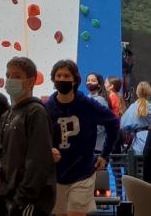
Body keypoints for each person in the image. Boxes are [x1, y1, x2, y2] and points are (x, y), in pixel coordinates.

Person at [45, 60, 120, 216]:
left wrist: (105, 155)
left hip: (83, 172)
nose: (62, 79)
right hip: (58, 174)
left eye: (66, 75)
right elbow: (40, 135)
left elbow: (113, 123)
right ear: (53, 79)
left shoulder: (87, 104)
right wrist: (48, 149)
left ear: (74, 80)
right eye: (58, 75)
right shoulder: (48, 107)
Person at [0, 57, 55, 216]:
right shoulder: (7, 115)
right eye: (8, 75)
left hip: (30, 201)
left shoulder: (36, 112)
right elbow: (0, 151)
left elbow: (38, 161)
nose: (10, 80)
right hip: (9, 196)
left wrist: (21, 199)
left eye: (17, 76)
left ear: (31, 81)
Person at [119, 81, 151, 155]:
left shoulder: (133, 106)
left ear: (137, 93)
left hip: (137, 143)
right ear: (150, 92)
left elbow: (123, 124)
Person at [84, 72, 110, 152]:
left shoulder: (101, 100)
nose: (89, 82)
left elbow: (104, 123)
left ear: (99, 84)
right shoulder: (86, 98)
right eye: (88, 80)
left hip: (98, 145)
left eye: (93, 80)